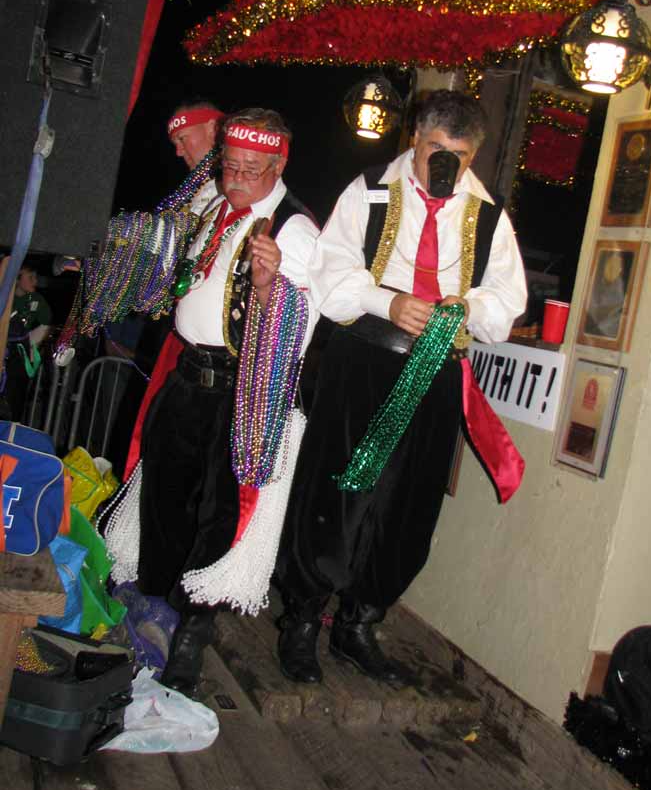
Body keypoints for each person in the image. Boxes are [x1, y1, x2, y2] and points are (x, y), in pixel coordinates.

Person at [274, 89, 527, 685]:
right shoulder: (368, 191)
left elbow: (507, 301)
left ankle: (360, 622)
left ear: (473, 156)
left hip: (436, 371)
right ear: (415, 138)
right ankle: (303, 619)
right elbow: (330, 274)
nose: (445, 163)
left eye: (458, 156)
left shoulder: (489, 215)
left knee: (408, 506)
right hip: (364, 358)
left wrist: (465, 307)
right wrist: (385, 301)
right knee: (337, 490)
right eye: (435, 148)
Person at [103, 107, 318, 697]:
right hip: (185, 376)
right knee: (163, 499)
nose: (237, 178)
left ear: (278, 166)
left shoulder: (296, 230)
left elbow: (302, 330)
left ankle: (193, 634)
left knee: (218, 516)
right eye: (230, 165)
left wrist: (271, 287)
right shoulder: (216, 210)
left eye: (252, 169)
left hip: (239, 391)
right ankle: (154, 606)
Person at [1, 262, 52, 421]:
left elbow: (46, 325)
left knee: (13, 399)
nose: (35, 281)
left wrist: (31, 346)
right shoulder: (4, 294)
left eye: (35, 277)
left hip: (16, 358)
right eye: (30, 277)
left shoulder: (37, 300)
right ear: (17, 278)